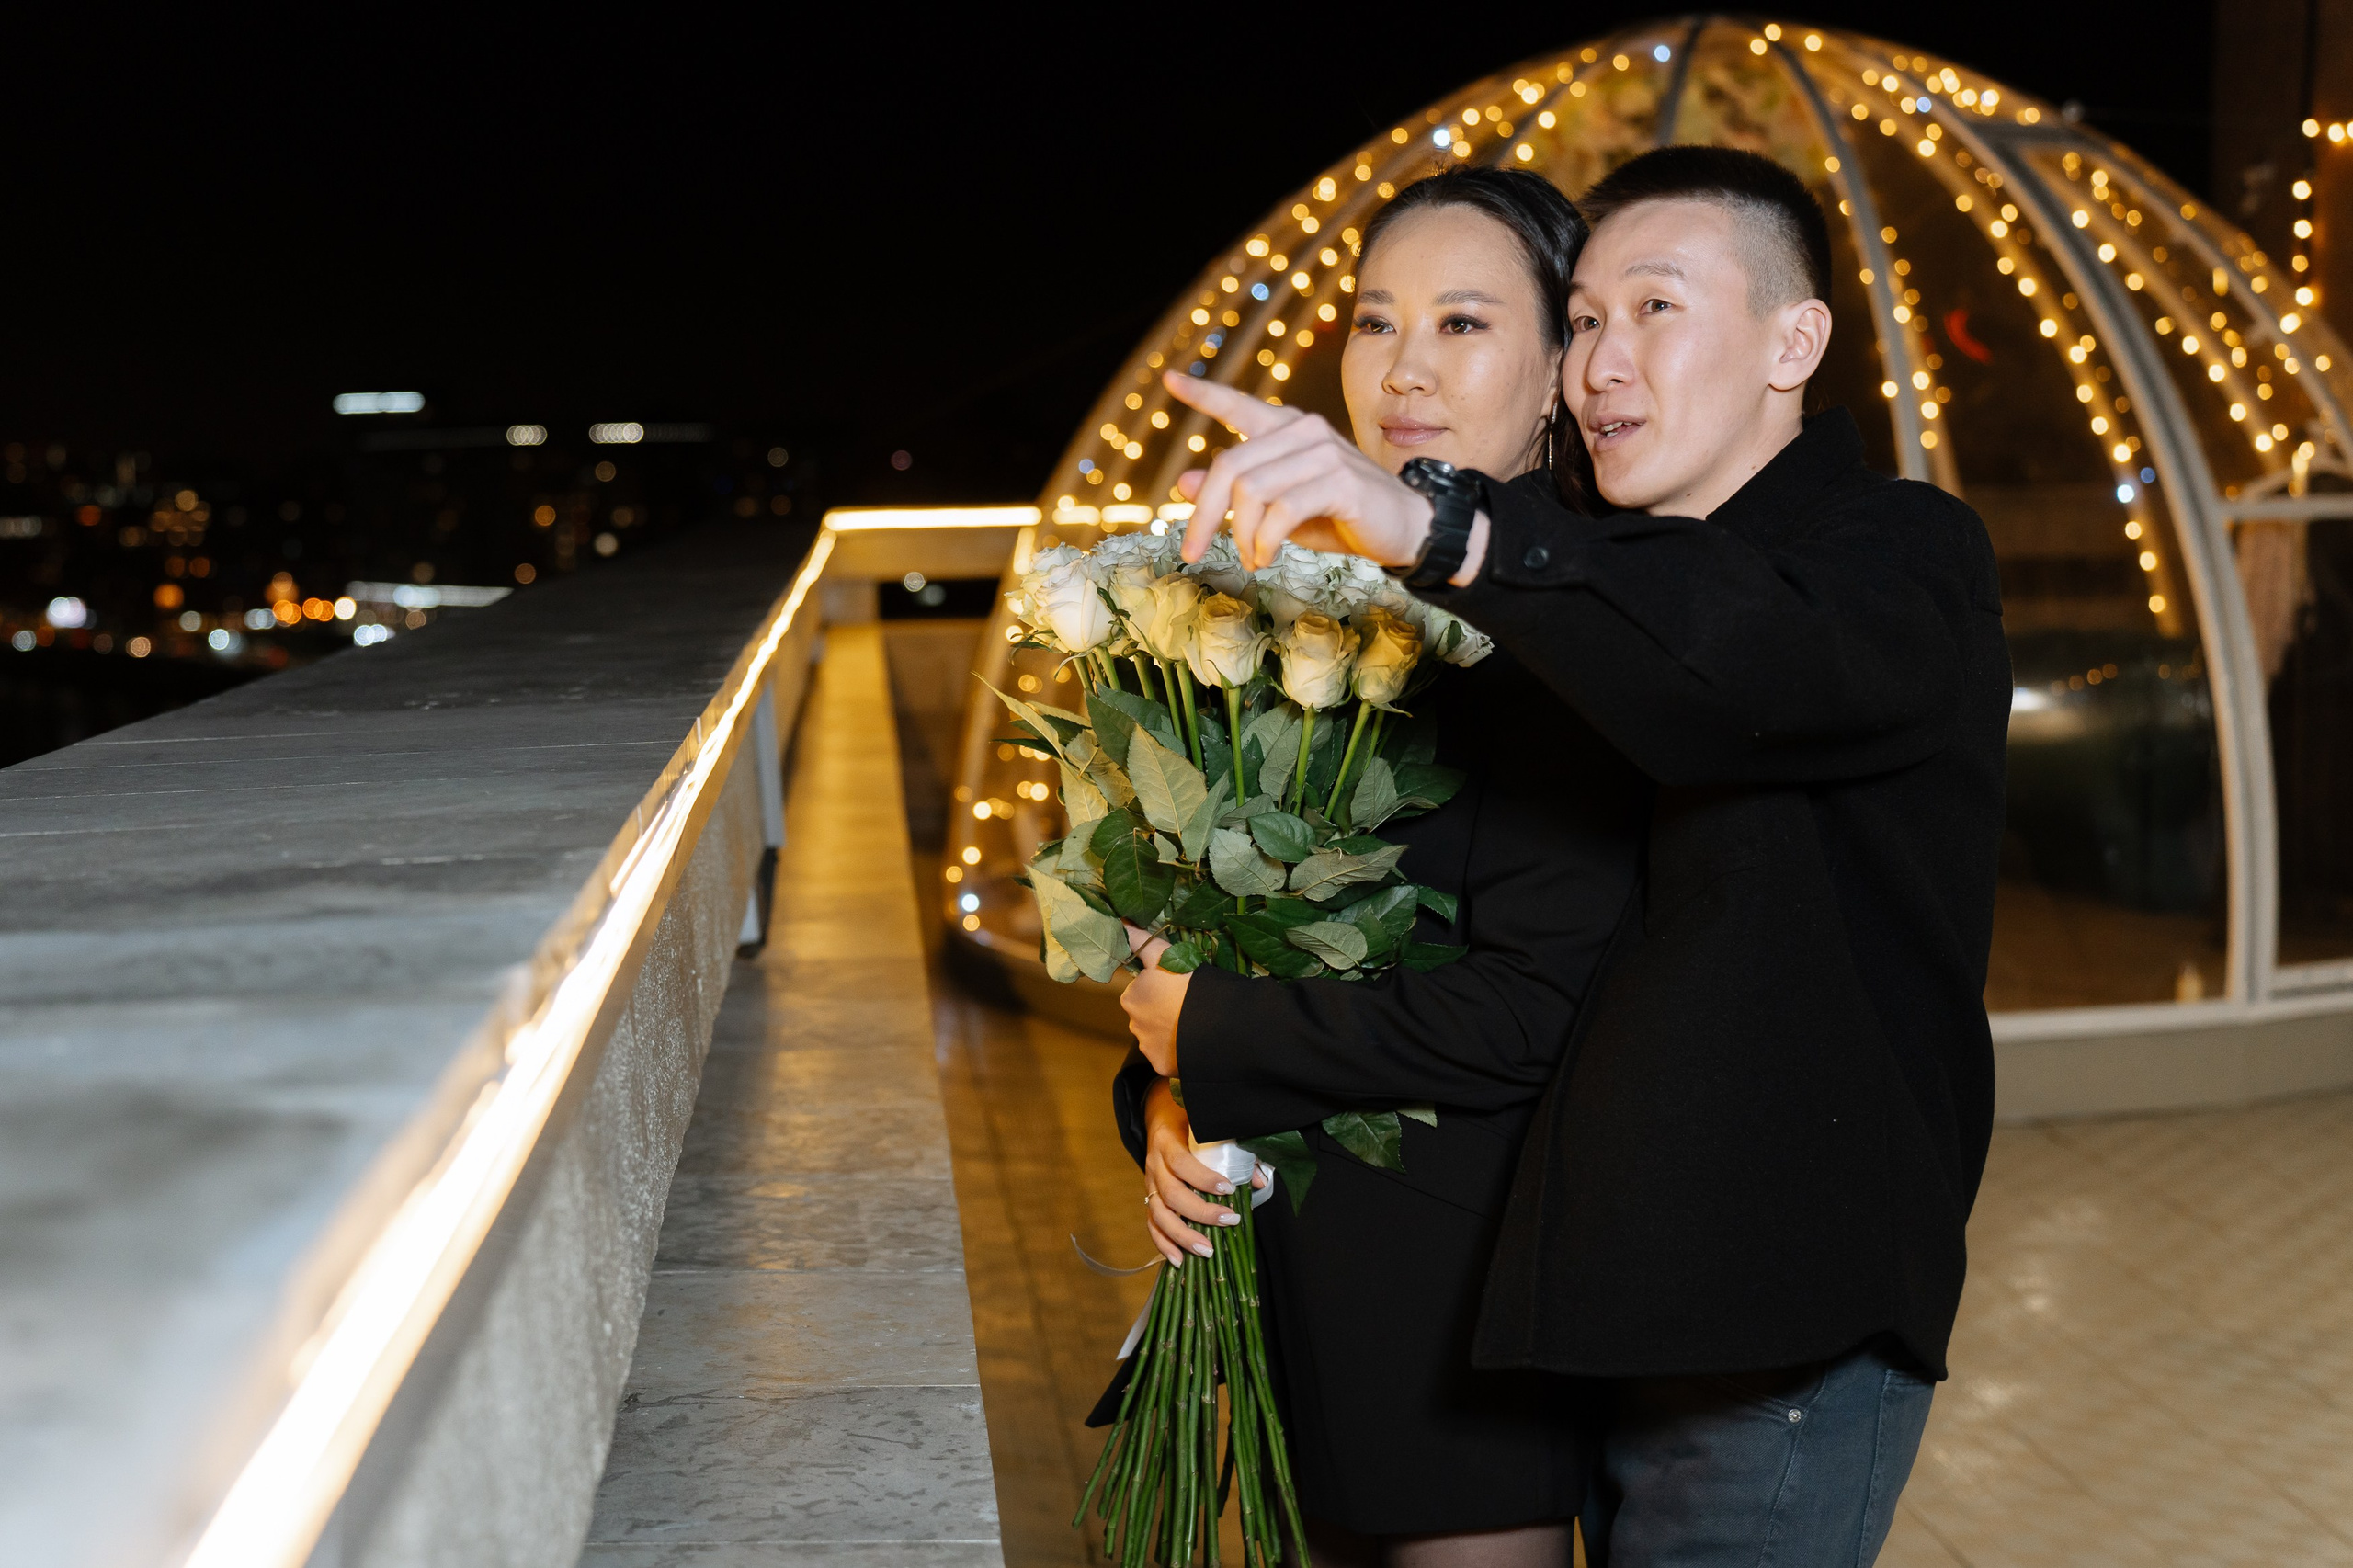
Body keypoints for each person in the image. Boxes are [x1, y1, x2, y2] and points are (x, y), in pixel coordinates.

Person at [1161, 145, 2010, 1567]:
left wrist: (1441, 524)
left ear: (1794, 341)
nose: (1607, 360)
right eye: (1592, 318)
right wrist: (1181, 1074)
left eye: (1657, 310)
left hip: (1774, 1339)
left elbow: (1741, 659)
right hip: (1597, 1316)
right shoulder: (1592, 583)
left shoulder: (1900, 552)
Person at [1112, 165, 1647, 1568]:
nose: (1402, 368)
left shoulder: (1580, 633)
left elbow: (1538, 1011)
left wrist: (1216, 1035)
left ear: (1559, 373)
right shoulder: (1297, 602)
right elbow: (1213, 936)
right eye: (1372, 319)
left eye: (1462, 324)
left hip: (1468, 1309)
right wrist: (1174, 1104)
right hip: (1291, 1296)